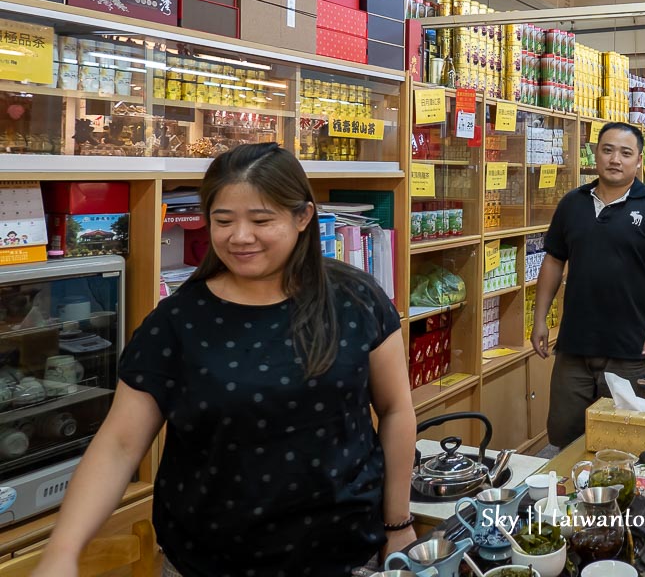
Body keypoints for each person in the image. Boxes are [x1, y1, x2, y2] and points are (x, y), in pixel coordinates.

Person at [31, 143, 417, 577]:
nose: (240, 237)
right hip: (207, 561)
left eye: (261, 219)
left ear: (303, 217)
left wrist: (398, 522)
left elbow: (396, 409)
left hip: (346, 554)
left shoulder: (355, 298)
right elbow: (119, 443)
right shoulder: (178, 320)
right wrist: (62, 550)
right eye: (223, 220)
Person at [530, 122, 645, 447]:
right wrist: (539, 318)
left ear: (639, 161)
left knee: (626, 439)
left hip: (631, 348)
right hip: (574, 346)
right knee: (564, 436)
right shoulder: (572, 204)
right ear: (596, 154)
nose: (616, 159)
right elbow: (554, 261)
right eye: (608, 149)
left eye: (626, 153)